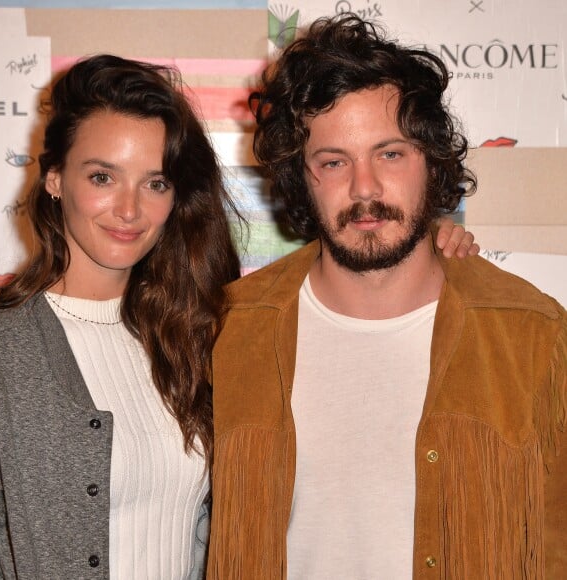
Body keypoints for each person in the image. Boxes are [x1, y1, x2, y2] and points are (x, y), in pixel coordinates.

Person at [206, 14, 567, 580]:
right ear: (302, 178)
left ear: (432, 163)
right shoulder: (230, 331)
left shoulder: (533, 336)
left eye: (390, 154)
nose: (365, 187)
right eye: (333, 162)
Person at [0, 54, 241, 579]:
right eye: (103, 176)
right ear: (55, 178)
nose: (129, 211)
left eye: (155, 183)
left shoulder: (195, 336)